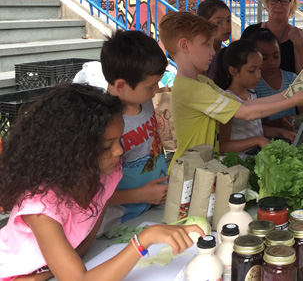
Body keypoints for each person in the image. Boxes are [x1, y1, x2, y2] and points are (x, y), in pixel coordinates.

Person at [0, 84, 202, 281]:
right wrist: (144, 240)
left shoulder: (104, 176)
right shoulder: (40, 209)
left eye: (118, 140)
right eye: (107, 146)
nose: (120, 151)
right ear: (71, 152)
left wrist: (51, 271)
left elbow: (82, 245)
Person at [158, 12, 303, 169]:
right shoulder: (190, 89)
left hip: (204, 167)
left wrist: (292, 93)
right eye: (206, 45)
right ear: (184, 46)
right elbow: (247, 112)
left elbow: (245, 104)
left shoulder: (202, 82)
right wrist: (293, 101)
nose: (213, 52)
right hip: (191, 172)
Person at [99, 30, 169, 232]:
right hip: (119, 224)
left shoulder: (143, 102)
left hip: (153, 208)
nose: (156, 90)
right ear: (122, 85)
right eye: (151, 85)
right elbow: (93, 194)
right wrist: (140, 195)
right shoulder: (104, 126)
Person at [214, 39, 298, 154]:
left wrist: (282, 133)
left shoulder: (251, 93)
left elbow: (257, 128)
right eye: (252, 70)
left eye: (259, 69)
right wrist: (257, 141)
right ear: (233, 70)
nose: (258, 75)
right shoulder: (227, 99)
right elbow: (223, 147)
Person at [241, 0, 303, 74]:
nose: (278, 5)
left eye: (284, 1)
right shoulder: (251, 32)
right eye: (274, 0)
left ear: (292, 3)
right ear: (267, 2)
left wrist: (299, 44)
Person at [251, 28, 302, 130]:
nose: (272, 62)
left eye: (276, 56)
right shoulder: (254, 84)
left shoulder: (292, 78)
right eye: (264, 58)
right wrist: (279, 122)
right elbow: (259, 122)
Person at [196, 0, 232, 80]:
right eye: (218, 22)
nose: (227, 26)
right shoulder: (201, 57)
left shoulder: (224, 54)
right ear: (203, 23)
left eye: (229, 20)